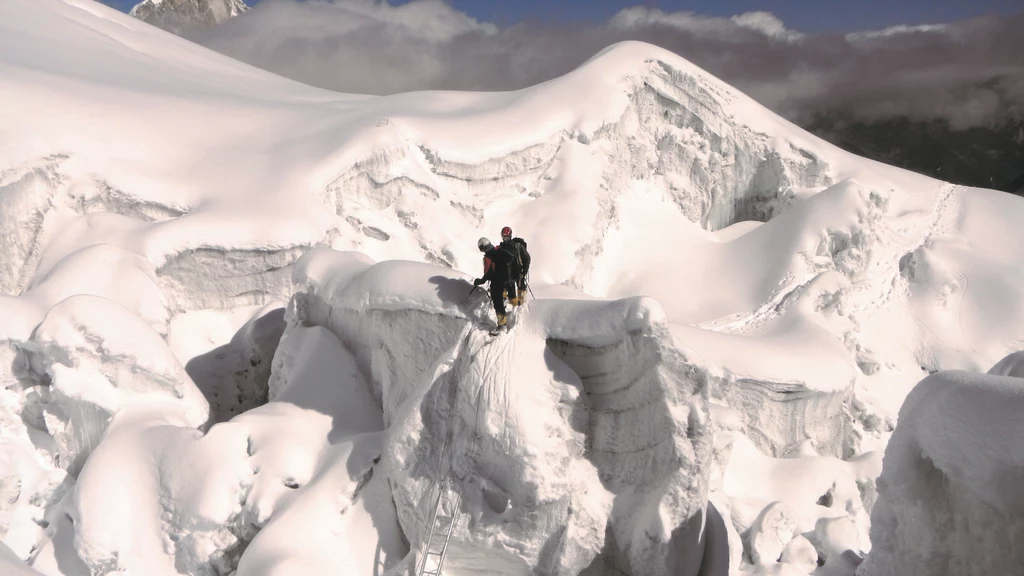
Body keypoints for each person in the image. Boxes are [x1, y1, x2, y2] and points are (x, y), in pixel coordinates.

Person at [473, 237, 518, 333]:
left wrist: (482, 280)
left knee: (497, 302)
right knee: (500, 301)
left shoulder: (491, 256)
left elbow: (490, 272)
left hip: (499, 282)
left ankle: (502, 325)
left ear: (483, 247)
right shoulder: (498, 251)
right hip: (508, 281)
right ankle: (512, 315)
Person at [498, 226, 531, 306]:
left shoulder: (518, 246)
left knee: (521, 290)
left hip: (519, 272)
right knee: (511, 295)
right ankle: (515, 308)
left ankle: (522, 307)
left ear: (510, 236)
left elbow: (527, 258)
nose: (505, 239)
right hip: (508, 275)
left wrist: (524, 271)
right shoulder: (501, 248)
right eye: (503, 237)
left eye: (506, 237)